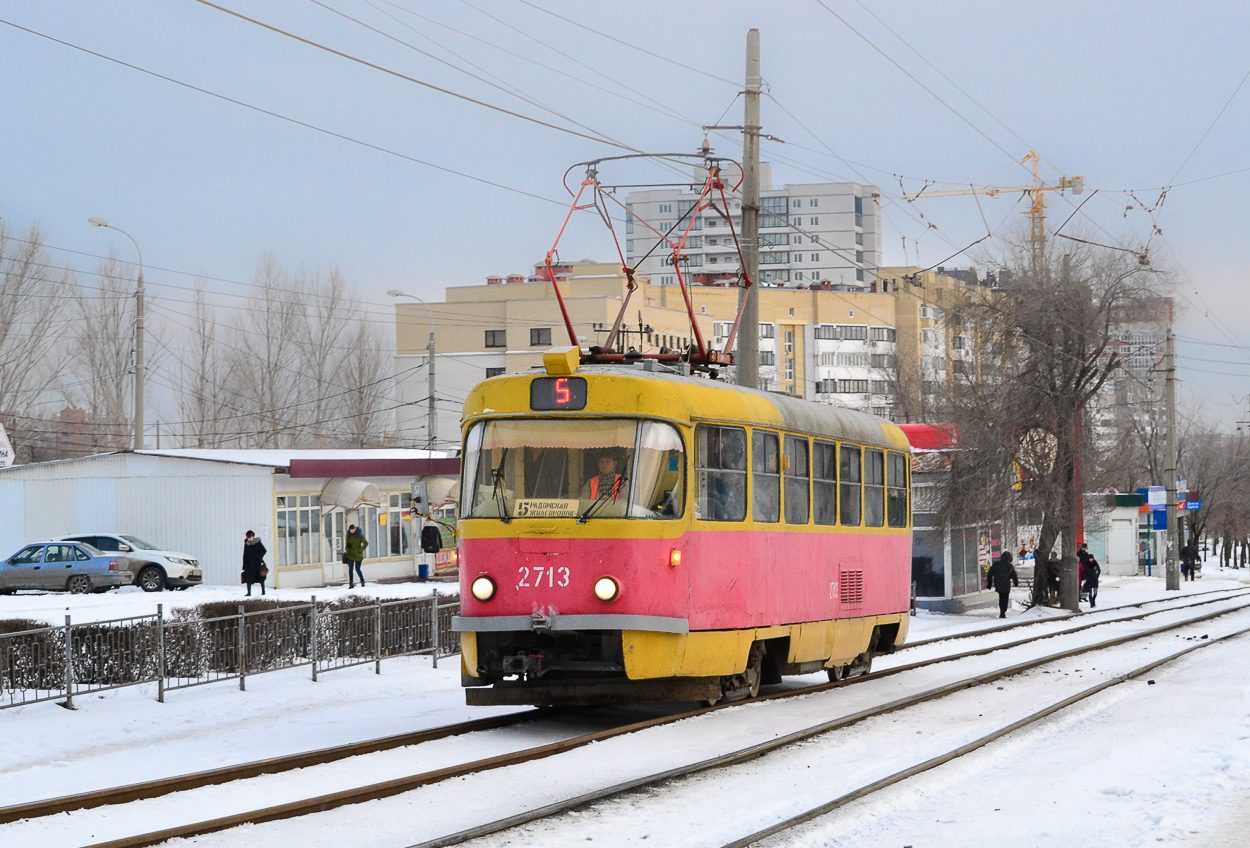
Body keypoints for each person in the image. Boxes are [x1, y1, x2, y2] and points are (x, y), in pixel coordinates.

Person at [986, 551, 1020, 619]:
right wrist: (1016, 582)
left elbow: (990, 574)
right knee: (1005, 598)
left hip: (998, 584)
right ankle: (1003, 612)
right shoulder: (1009, 566)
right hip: (1006, 585)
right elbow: (1014, 575)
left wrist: (989, 583)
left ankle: (1002, 610)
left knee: (1001, 597)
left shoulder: (996, 564)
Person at [242, 530, 267, 597]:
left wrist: (258, 556)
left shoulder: (258, 543)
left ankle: (263, 591)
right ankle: (249, 592)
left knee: (261, 578)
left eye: (251, 537)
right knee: (248, 579)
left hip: (258, 563)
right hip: (249, 565)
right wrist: (244, 565)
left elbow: (264, 550)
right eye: (249, 538)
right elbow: (245, 555)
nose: (250, 539)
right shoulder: (246, 544)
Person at [345, 524, 368, 588]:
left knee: (357, 569)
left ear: (355, 529)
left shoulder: (359, 535)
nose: (351, 531)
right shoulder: (348, 535)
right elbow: (347, 544)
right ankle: (351, 583)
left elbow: (366, 543)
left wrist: (360, 550)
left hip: (358, 555)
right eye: (350, 530)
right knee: (350, 569)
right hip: (350, 555)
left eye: (352, 530)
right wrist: (347, 548)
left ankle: (362, 580)